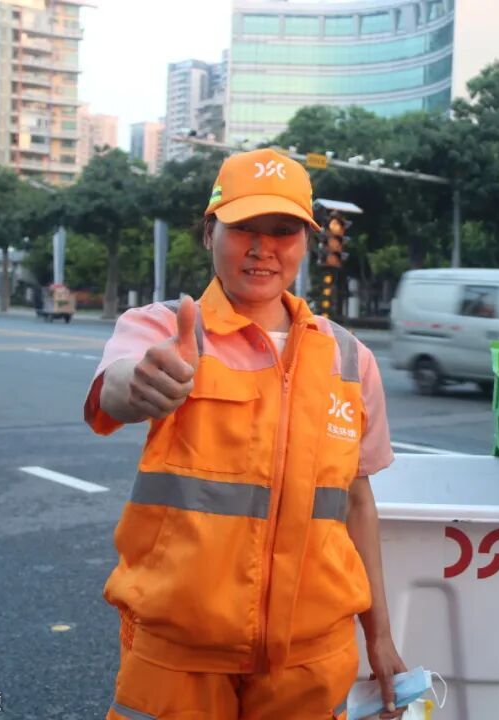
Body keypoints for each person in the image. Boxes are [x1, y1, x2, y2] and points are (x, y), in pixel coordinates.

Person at [84, 148, 407, 720]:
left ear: (306, 241)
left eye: (283, 230)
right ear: (210, 232)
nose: (263, 248)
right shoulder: (165, 328)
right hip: (178, 657)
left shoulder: (350, 358)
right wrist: (141, 384)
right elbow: (118, 386)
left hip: (311, 658)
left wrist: (379, 637)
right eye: (243, 228)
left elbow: (357, 501)